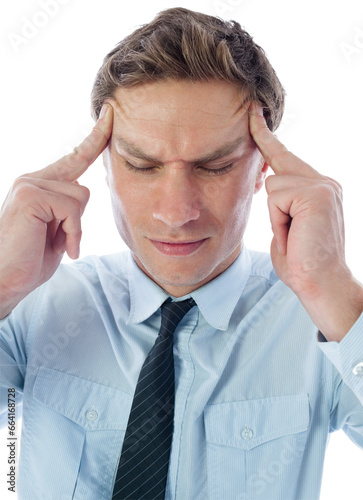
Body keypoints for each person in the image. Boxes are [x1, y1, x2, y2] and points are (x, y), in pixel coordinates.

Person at [1, 6, 362, 500]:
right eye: (142, 165)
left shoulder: (323, 326)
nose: (176, 212)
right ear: (104, 165)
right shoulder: (35, 308)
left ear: (263, 170)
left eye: (215, 167)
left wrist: (334, 288)